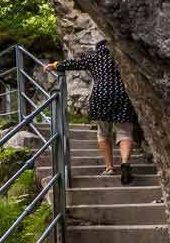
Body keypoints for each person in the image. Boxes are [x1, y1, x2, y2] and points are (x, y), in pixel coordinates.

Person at [49, 42, 138, 184]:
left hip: (100, 96)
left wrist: (55, 65)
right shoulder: (120, 55)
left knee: (103, 133)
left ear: (99, 48)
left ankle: (109, 167)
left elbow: (75, 63)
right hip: (121, 95)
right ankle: (125, 162)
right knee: (125, 132)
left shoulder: (95, 57)